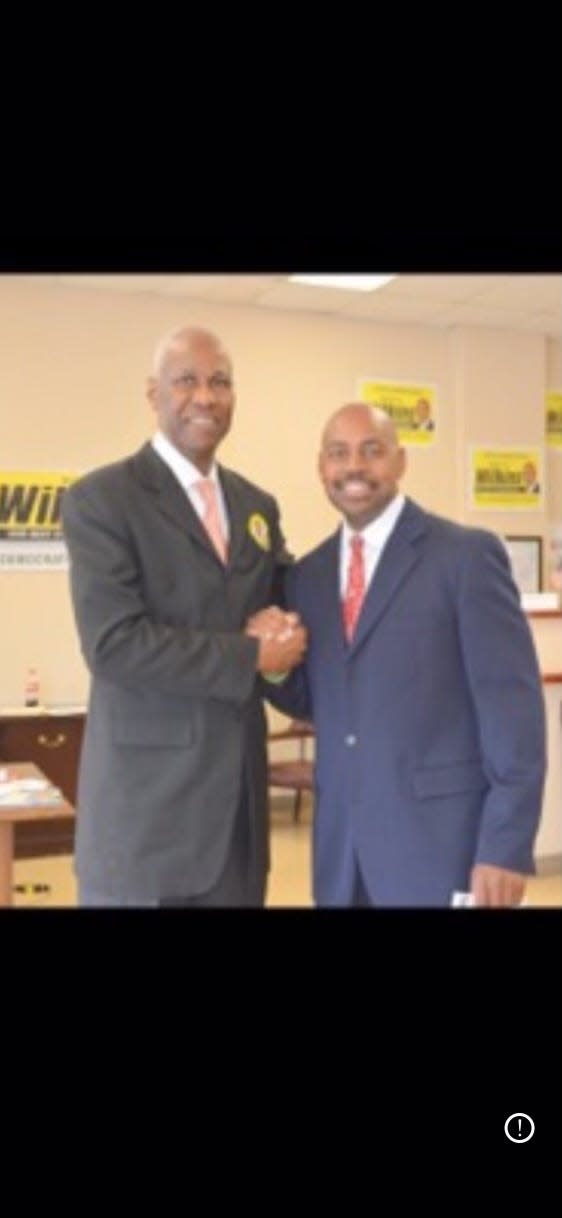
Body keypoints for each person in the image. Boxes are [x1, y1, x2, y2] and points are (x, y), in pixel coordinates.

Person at [261, 403, 546, 907]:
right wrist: (272, 663)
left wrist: (505, 844)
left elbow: (513, 713)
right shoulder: (308, 577)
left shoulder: (465, 557)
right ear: (321, 467)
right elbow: (324, 700)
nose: (354, 467)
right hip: (342, 855)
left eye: (372, 451)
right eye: (338, 453)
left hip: (440, 848)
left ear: (400, 462)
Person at [61, 325, 306, 907]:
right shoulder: (102, 500)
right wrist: (253, 655)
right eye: (186, 381)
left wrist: (288, 629)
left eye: (220, 382)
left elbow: (285, 598)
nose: (206, 397)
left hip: (237, 831)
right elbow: (114, 644)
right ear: (154, 395)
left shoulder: (256, 506)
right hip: (146, 827)